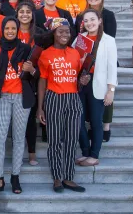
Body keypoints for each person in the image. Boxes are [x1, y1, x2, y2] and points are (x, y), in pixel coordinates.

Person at [0, 17, 37, 195]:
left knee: (18, 137)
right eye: (7, 28)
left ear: (17, 30)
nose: (10, 31)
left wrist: (31, 70)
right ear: (2, 29)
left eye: (13, 28)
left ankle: (15, 176)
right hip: (2, 97)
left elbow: (35, 74)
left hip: (22, 97)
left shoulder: (26, 48)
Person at [36, 18, 85, 193]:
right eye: (60, 31)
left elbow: (77, 79)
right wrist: (40, 108)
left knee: (72, 140)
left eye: (67, 32)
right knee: (55, 141)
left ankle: (69, 177)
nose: (65, 34)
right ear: (54, 34)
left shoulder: (75, 53)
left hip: (73, 98)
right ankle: (57, 177)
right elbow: (42, 82)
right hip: (54, 98)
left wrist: (83, 81)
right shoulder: (46, 54)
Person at [74, 9, 117, 167]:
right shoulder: (80, 39)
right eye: (86, 21)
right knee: (78, 120)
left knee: (96, 121)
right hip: (81, 84)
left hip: (98, 84)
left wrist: (111, 90)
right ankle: (85, 152)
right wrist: (80, 59)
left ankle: (94, 155)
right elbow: (72, 59)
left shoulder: (108, 40)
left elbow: (112, 68)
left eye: (93, 19)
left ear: (99, 21)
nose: (90, 23)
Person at [16, 1, 45, 165]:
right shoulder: (11, 29)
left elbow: (45, 61)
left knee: (30, 121)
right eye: (21, 12)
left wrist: (33, 70)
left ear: (32, 14)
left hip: (33, 82)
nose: (25, 14)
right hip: (13, 81)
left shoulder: (39, 34)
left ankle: (32, 153)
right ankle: (17, 152)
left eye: (28, 12)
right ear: (17, 13)